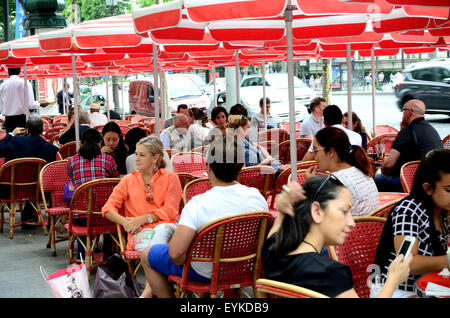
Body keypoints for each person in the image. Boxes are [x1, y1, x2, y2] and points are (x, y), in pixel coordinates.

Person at [140, 137, 269, 298]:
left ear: (208, 167)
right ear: (240, 167)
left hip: (205, 272)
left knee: (146, 255)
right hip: (245, 267)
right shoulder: (257, 198)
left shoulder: (198, 204)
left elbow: (176, 255)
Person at [261, 176, 412, 298]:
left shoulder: (271, 248)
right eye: (345, 211)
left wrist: (282, 210)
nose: (352, 223)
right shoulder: (328, 273)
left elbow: (278, 225)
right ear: (317, 211)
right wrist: (392, 279)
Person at [102, 135, 183, 298]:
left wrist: (144, 218)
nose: (136, 158)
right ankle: (156, 289)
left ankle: (148, 290)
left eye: (142, 155)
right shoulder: (128, 180)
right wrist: (125, 222)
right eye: (136, 154)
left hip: (169, 229)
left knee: (161, 229)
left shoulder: (170, 178)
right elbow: (108, 208)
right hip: (140, 232)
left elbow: (171, 210)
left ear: (156, 158)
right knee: (153, 239)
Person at [374, 148, 450, 297]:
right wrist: (447, 261)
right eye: (449, 190)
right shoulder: (409, 210)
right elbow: (409, 262)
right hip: (395, 290)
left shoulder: (443, 210)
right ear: (428, 188)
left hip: (431, 285)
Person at [306, 127, 379, 217]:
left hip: (348, 230)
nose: (313, 155)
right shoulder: (362, 172)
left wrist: (310, 185)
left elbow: (316, 216)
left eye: (315, 150)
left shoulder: (335, 182)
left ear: (331, 152)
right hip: (372, 229)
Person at [0, 117, 59, 226]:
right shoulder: (51, 149)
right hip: (38, 190)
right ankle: (30, 215)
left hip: (10, 187)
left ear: (27, 129)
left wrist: (11, 134)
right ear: (42, 130)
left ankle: (29, 216)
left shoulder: (15, 142)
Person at [375, 99, 443, 192]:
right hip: (432, 180)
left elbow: (388, 166)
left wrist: (381, 170)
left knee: (372, 180)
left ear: (410, 112)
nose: (402, 113)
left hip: (411, 182)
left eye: (404, 110)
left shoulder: (408, 131)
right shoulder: (431, 130)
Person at [0, 67, 39, 133]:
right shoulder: (25, 83)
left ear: (8, 72)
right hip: (22, 119)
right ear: (20, 72)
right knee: (22, 141)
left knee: (11, 141)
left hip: (9, 120)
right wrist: (39, 104)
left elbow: (1, 106)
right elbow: (31, 105)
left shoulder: (2, 85)